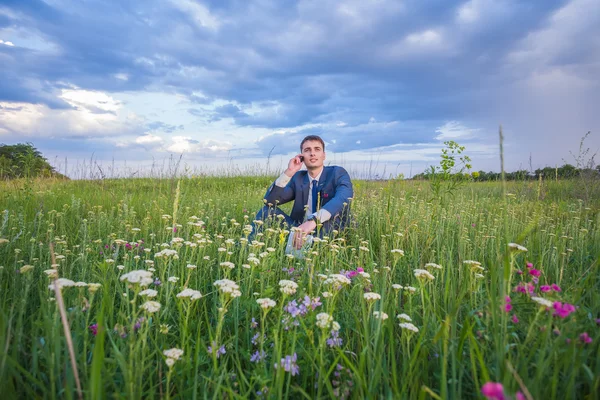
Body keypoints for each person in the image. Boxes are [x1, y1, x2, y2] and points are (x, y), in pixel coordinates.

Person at [251, 135, 354, 249]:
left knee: (323, 235)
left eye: (317, 149)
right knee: (266, 211)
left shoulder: (337, 173)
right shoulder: (298, 177)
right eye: (307, 150)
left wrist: (314, 220)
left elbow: (344, 197)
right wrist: (289, 172)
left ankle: (304, 250)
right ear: (302, 157)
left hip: (328, 232)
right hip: (299, 230)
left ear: (323, 155)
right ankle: (246, 249)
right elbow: (269, 201)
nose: (312, 153)